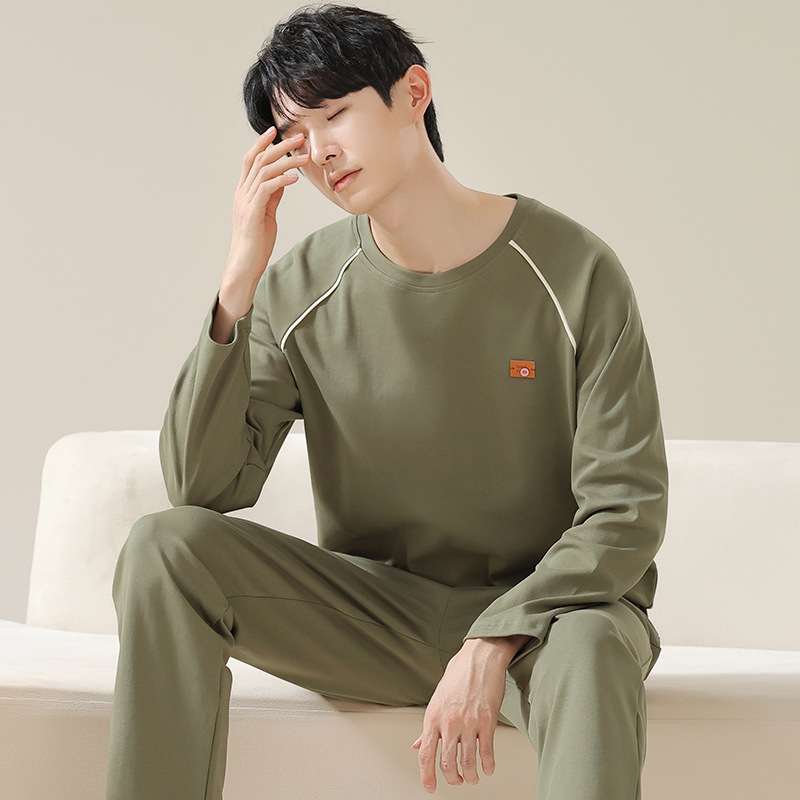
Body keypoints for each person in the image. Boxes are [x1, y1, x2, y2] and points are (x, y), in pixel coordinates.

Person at [106, 4, 668, 799]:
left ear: (413, 94)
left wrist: (494, 638)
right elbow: (203, 486)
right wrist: (238, 282)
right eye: (295, 135)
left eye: (336, 114)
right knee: (163, 550)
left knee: (596, 643)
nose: (320, 152)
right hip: (377, 618)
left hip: (549, 621)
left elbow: (626, 510)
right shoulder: (300, 287)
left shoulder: (573, 271)